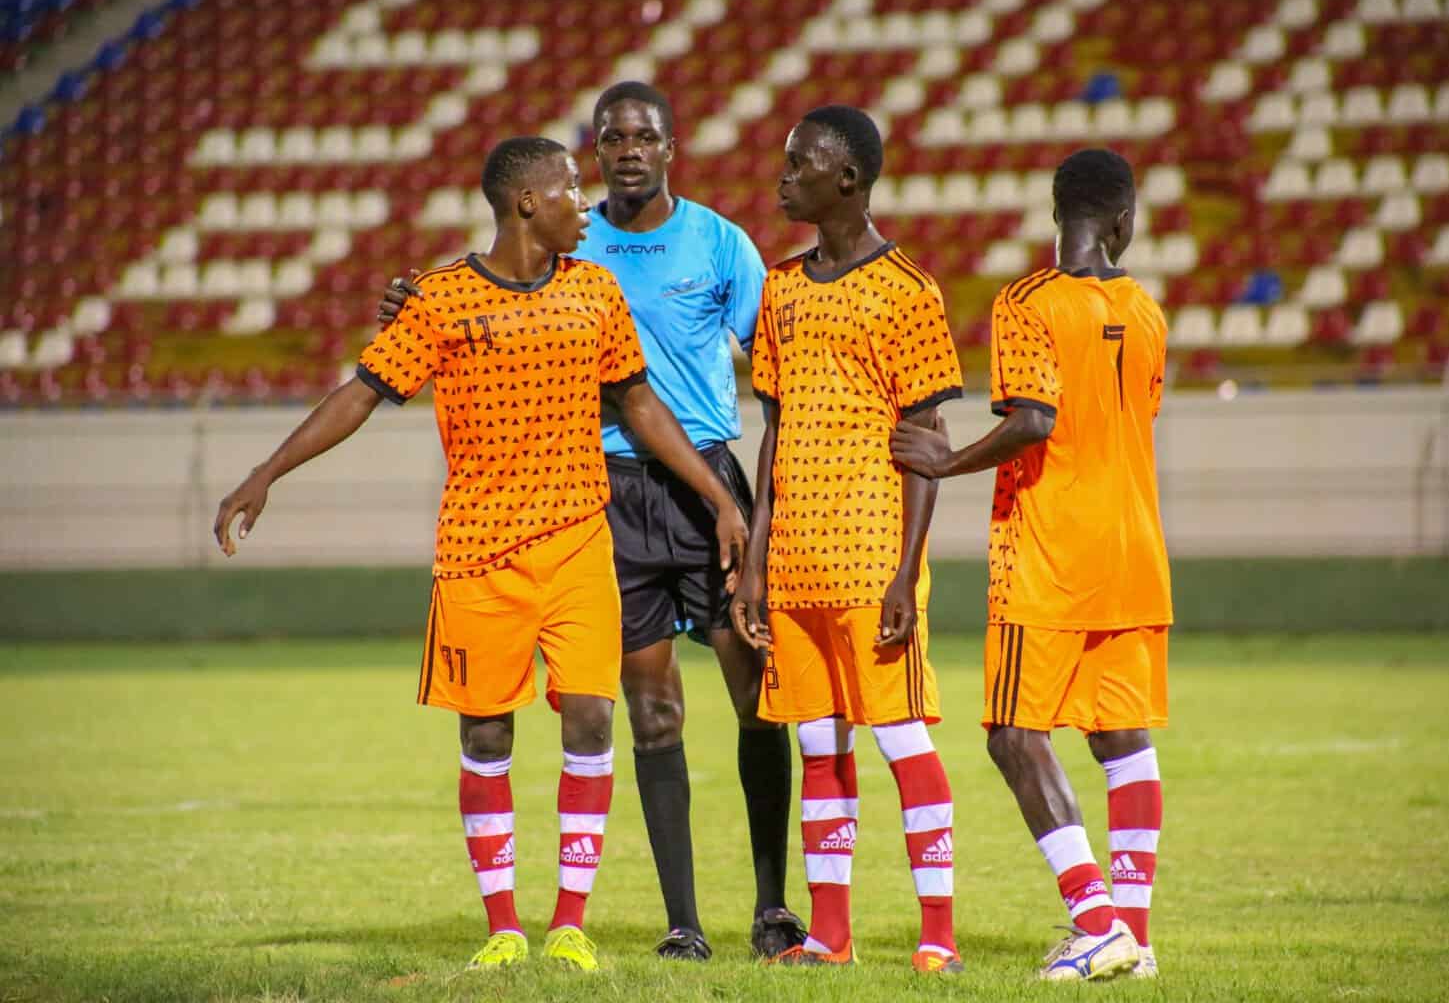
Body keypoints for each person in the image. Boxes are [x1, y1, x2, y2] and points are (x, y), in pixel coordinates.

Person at [213, 136, 749, 974]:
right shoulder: (440, 300)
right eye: (573, 188)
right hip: (477, 555)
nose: (587, 199)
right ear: (527, 202)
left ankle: (569, 923)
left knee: (590, 714)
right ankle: (502, 926)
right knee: (487, 734)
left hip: (578, 543)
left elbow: (638, 403)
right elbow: (362, 391)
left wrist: (719, 498)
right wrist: (266, 471)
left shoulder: (594, 291)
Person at [377, 81, 804, 962]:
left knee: (756, 696)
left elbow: (778, 361)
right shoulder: (570, 239)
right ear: (591, 154)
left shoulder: (719, 242)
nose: (626, 150)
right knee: (648, 709)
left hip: (705, 476)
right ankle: (682, 921)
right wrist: (411, 309)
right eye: (610, 137)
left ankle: (771, 906)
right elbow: (483, 292)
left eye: (644, 135)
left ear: (671, 147)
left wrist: (750, 503)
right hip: (601, 489)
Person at [889, 147, 1172, 981]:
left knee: (1013, 736)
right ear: (1123, 220)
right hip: (1134, 552)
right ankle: (1137, 936)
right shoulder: (1148, 310)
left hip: (1050, 551)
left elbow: (1036, 419)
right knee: (1122, 739)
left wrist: (943, 462)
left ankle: (1095, 920)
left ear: (1058, 215)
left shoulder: (1024, 302)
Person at [731, 105, 965, 975]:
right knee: (817, 743)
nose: (782, 176)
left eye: (799, 164)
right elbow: (774, 433)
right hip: (791, 564)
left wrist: (907, 573)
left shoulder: (908, 289)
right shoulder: (781, 288)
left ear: (848, 180)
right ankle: (830, 935)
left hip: (872, 561)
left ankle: (937, 937)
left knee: (901, 737)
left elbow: (926, 443)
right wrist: (754, 561)